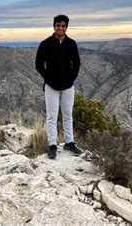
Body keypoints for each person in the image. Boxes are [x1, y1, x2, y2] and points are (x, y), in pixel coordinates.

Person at [35, 14, 83, 159]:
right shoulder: (46, 43)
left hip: (68, 87)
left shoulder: (71, 44)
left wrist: (71, 78)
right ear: (54, 26)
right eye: (58, 25)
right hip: (51, 87)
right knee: (52, 116)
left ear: (66, 27)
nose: (60, 28)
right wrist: (48, 78)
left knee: (68, 115)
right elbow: (38, 64)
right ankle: (52, 146)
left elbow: (77, 64)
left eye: (63, 25)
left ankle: (69, 143)